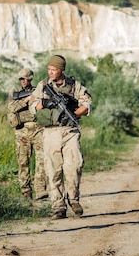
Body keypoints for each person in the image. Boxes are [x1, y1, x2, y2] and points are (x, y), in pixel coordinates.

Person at [30, 55, 92, 220]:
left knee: (75, 165)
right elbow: (32, 105)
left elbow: (87, 103)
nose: (50, 72)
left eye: (54, 69)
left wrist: (73, 114)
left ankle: (73, 199)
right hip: (51, 132)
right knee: (53, 169)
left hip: (70, 130)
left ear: (61, 70)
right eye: (49, 69)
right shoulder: (43, 85)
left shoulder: (74, 85)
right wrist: (46, 104)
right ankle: (58, 206)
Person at [7, 68, 47, 200]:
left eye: (26, 79)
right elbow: (11, 108)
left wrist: (35, 98)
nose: (24, 81)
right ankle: (26, 191)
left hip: (37, 129)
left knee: (41, 160)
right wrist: (26, 100)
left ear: (31, 79)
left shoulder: (37, 91)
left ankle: (40, 189)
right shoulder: (15, 93)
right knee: (23, 162)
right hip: (21, 131)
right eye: (21, 79)